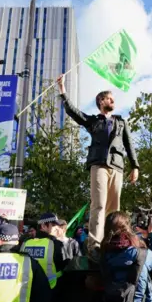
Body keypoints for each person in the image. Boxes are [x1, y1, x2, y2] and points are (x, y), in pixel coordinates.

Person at [57, 74, 140, 254]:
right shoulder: (93, 121)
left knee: (113, 208)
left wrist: (135, 166)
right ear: (101, 101)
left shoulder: (121, 122)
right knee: (99, 204)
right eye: (109, 98)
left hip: (117, 166)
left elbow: (129, 144)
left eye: (113, 99)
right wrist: (62, 90)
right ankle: (94, 245)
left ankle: (112, 242)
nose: (112, 101)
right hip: (99, 165)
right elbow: (73, 112)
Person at [20, 213, 76, 290]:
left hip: (28, 287)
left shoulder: (26, 242)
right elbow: (64, 264)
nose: (57, 228)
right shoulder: (55, 244)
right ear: (43, 226)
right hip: (52, 288)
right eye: (53, 225)